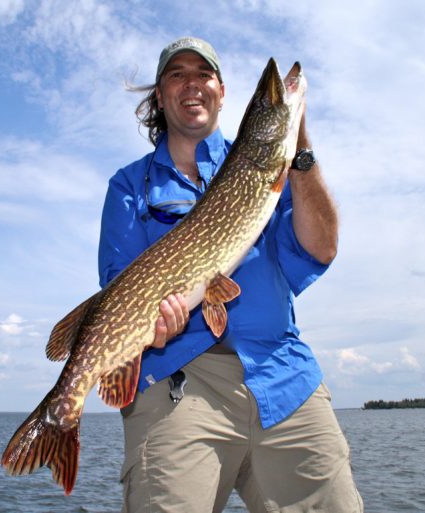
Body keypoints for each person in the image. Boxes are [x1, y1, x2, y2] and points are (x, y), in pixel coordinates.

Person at [98, 37, 363, 513]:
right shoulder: (129, 185)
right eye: (177, 74)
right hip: (180, 381)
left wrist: (298, 148)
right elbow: (120, 292)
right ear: (160, 95)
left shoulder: (266, 168)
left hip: (282, 372)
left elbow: (321, 247)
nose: (192, 84)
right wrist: (155, 320)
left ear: (221, 91)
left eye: (203, 74)